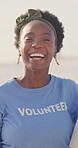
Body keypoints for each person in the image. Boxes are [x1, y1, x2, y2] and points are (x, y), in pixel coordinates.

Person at [0, 8, 78, 148]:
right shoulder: (2, 96)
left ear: (56, 48)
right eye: (29, 39)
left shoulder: (70, 90)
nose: (36, 44)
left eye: (46, 39)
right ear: (19, 46)